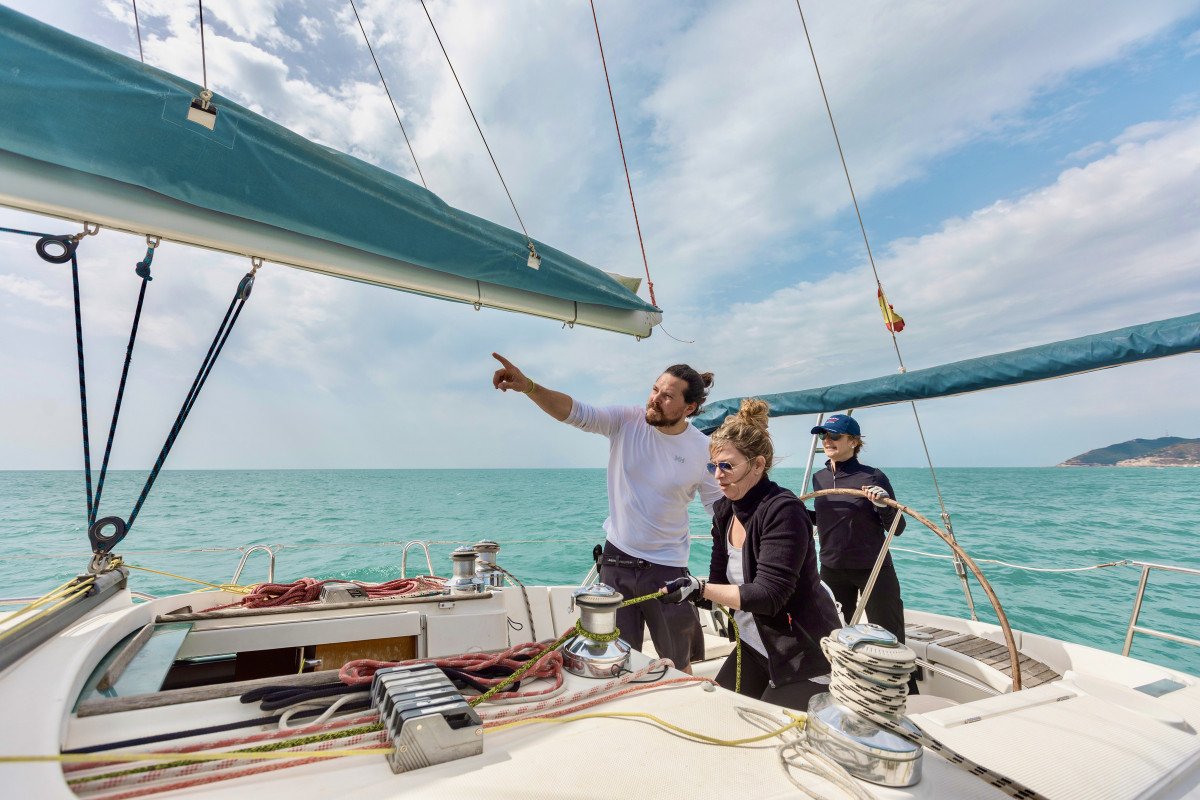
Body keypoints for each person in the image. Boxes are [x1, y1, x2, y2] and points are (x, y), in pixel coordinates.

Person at [491, 353, 722, 673]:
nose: (655, 400)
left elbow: (720, 510)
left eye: (667, 396)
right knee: (613, 662)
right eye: (655, 389)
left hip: (668, 571)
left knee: (678, 664)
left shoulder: (702, 450)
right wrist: (529, 387)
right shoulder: (627, 421)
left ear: (689, 408)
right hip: (617, 564)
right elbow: (576, 412)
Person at [660, 399, 841, 710]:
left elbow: (770, 596)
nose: (717, 476)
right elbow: (719, 584)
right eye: (712, 466)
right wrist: (683, 591)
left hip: (801, 653)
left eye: (727, 466)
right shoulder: (724, 511)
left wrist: (699, 588)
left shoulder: (784, 511)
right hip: (754, 645)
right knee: (718, 714)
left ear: (758, 464)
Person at [809, 414, 908, 644]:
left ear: (853, 442)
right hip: (832, 568)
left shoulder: (872, 476)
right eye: (824, 435)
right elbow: (826, 518)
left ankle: (904, 681)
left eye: (834, 435)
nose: (827, 440)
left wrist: (882, 505)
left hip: (873, 569)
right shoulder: (819, 478)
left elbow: (898, 527)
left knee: (890, 639)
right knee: (834, 637)